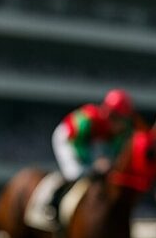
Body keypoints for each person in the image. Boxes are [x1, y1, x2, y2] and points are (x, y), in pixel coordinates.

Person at [47, 89, 138, 220]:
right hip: (68, 138)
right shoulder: (88, 118)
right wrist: (93, 163)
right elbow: (77, 145)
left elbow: (115, 153)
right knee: (76, 172)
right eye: (121, 120)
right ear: (111, 115)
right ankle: (53, 200)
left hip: (89, 143)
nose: (123, 126)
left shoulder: (119, 131)